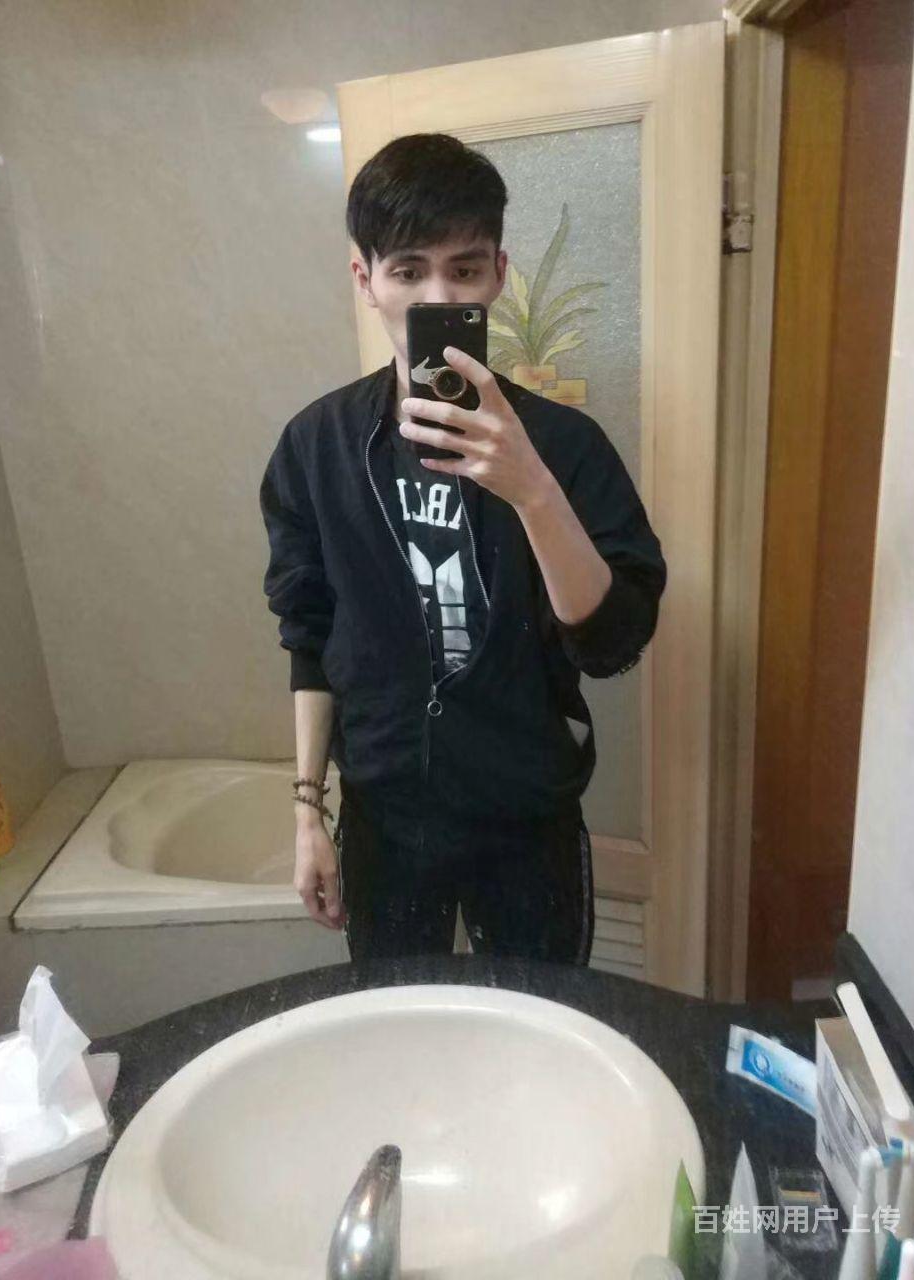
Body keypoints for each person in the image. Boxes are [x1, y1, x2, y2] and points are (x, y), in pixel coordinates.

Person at [259, 132, 666, 963]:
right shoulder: (316, 446)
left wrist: (532, 490)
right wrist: (308, 812)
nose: (437, 296)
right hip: (383, 811)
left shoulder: (564, 446)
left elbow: (612, 645)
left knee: (541, 1019)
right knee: (398, 1018)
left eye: (465, 268)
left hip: (526, 814)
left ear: (498, 275)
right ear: (365, 279)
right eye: (409, 271)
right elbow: (310, 636)